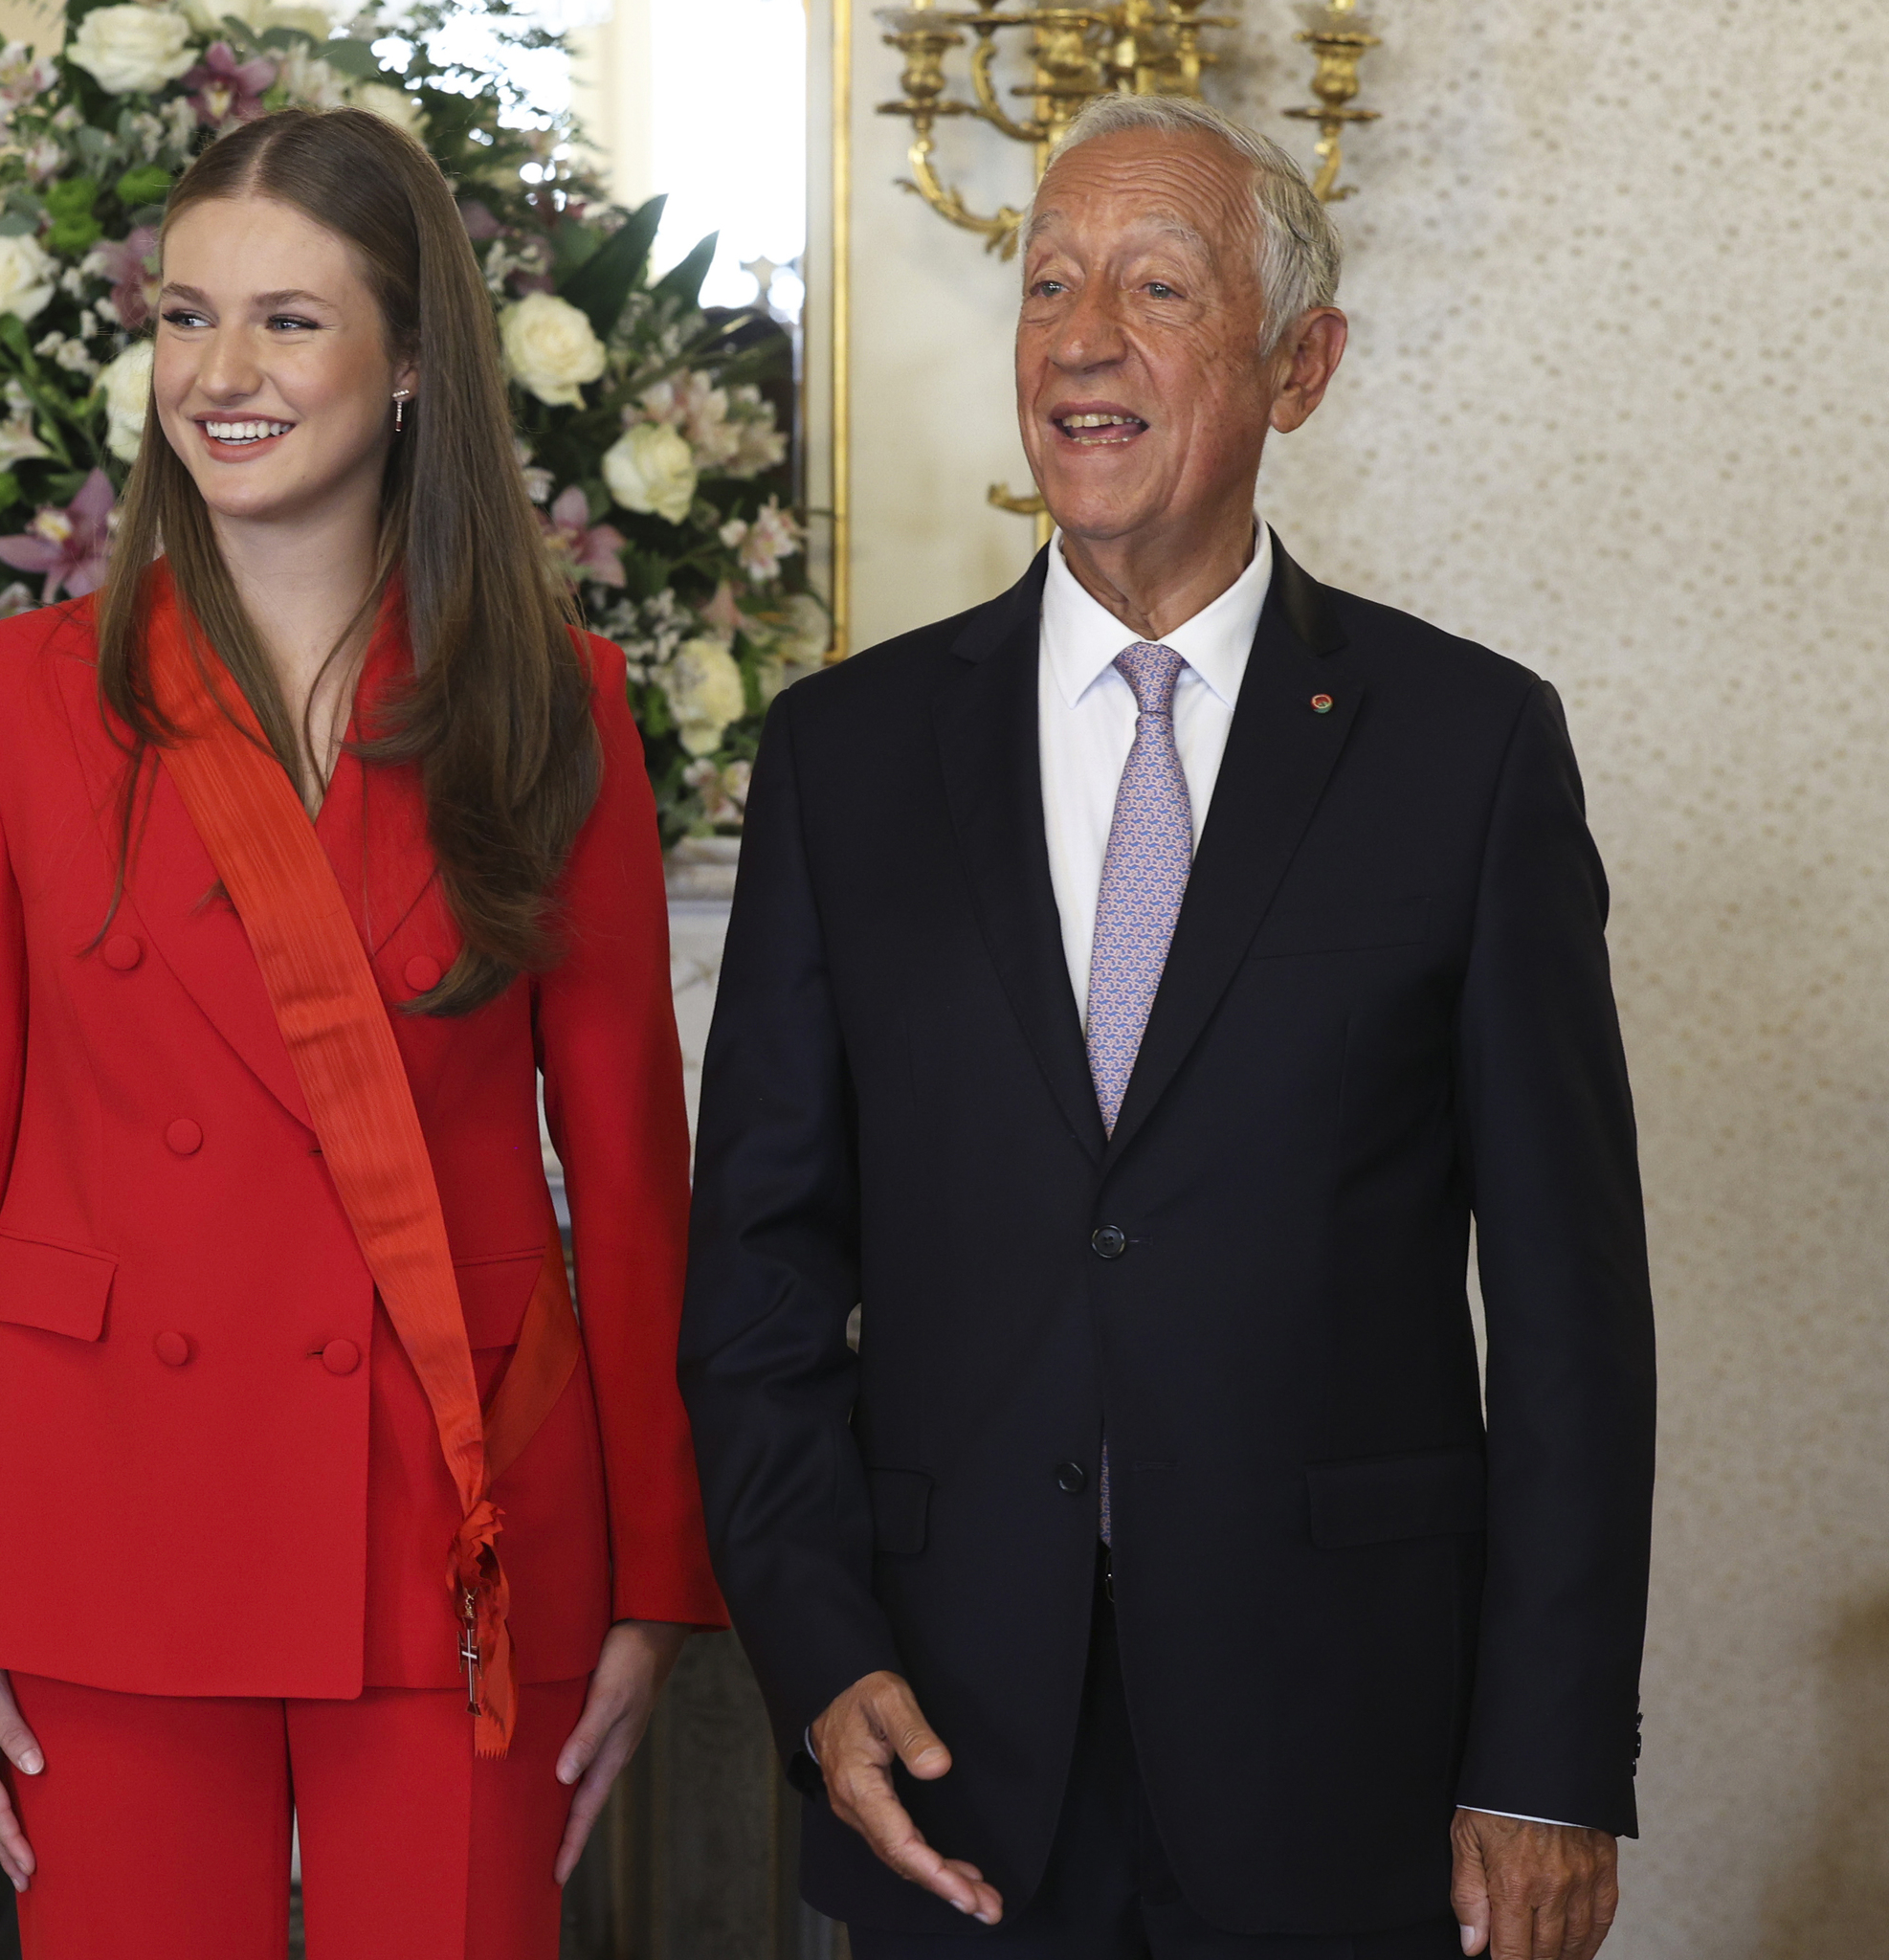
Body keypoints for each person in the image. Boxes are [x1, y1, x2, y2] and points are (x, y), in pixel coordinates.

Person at [680, 93, 1655, 1960]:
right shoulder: (847, 759)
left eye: (1155, 285)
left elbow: (1569, 1314)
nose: (1081, 337)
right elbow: (759, 1283)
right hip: (946, 1752)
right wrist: (819, 1652)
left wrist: (1547, 1762)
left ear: (1300, 365)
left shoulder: (1467, 753)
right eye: (1049, 284)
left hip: (1346, 1755)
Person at [0, 105, 725, 1960]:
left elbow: (635, 1172)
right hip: (107, 1522)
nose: (220, 374)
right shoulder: (18, 700)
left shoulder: (551, 699)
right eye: (185, 318)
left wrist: (656, 1578)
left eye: (287, 321)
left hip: (455, 1520)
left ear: (413, 360)